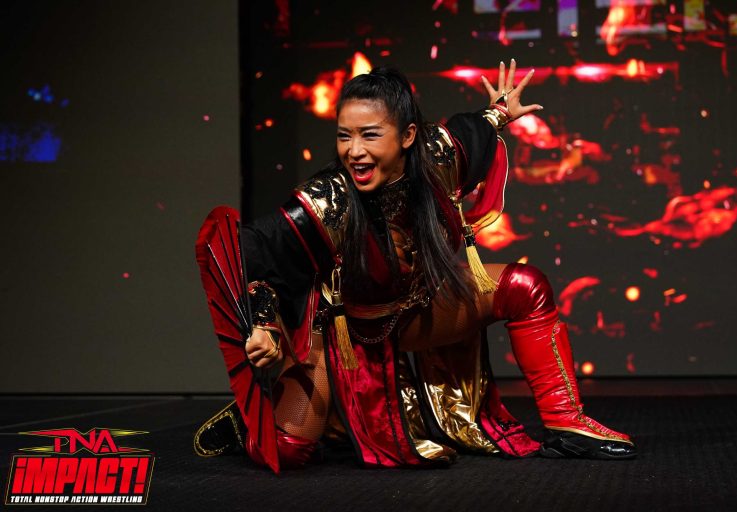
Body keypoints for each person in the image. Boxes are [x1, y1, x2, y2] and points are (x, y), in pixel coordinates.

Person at [194, 60, 636, 472]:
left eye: (370, 135)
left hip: (418, 309)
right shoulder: (325, 200)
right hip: (343, 333)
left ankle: (566, 423)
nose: (354, 151)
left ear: (408, 136)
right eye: (345, 136)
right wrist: (263, 325)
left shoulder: (438, 154)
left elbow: (473, 128)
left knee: (525, 284)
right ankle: (261, 416)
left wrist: (500, 112)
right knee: (288, 451)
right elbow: (249, 254)